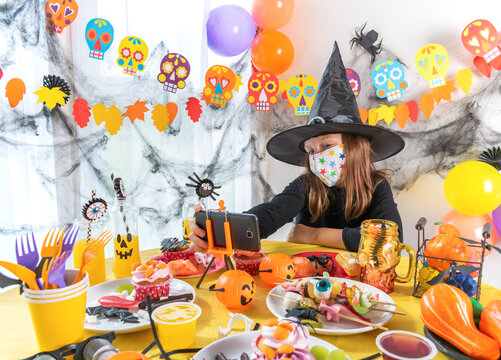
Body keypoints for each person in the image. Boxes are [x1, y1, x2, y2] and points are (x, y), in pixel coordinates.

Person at [189, 42, 405, 252]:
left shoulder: (376, 186)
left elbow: (389, 239)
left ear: (354, 147)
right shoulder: (307, 186)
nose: (318, 156)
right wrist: (210, 232)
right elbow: (266, 216)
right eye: (311, 151)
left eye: (327, 145)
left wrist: (311, 234)